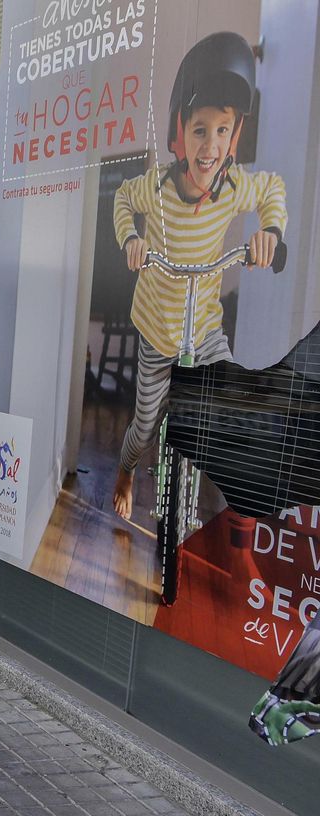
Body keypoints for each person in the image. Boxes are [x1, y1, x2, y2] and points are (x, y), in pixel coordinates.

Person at [110, 32, 288, 519]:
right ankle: (126, 469)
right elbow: (123, 200)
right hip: (157, 328)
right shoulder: (159, 188)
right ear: (178, 135)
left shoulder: (233, 187)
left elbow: (272, 189)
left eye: (222, 131)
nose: (210, 146)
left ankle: (237, 496)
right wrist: (131, 240)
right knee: (145, 424)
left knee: (226, 398)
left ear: (236, 137)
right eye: (199, 130)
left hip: (203, 325)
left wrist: (268, 232)